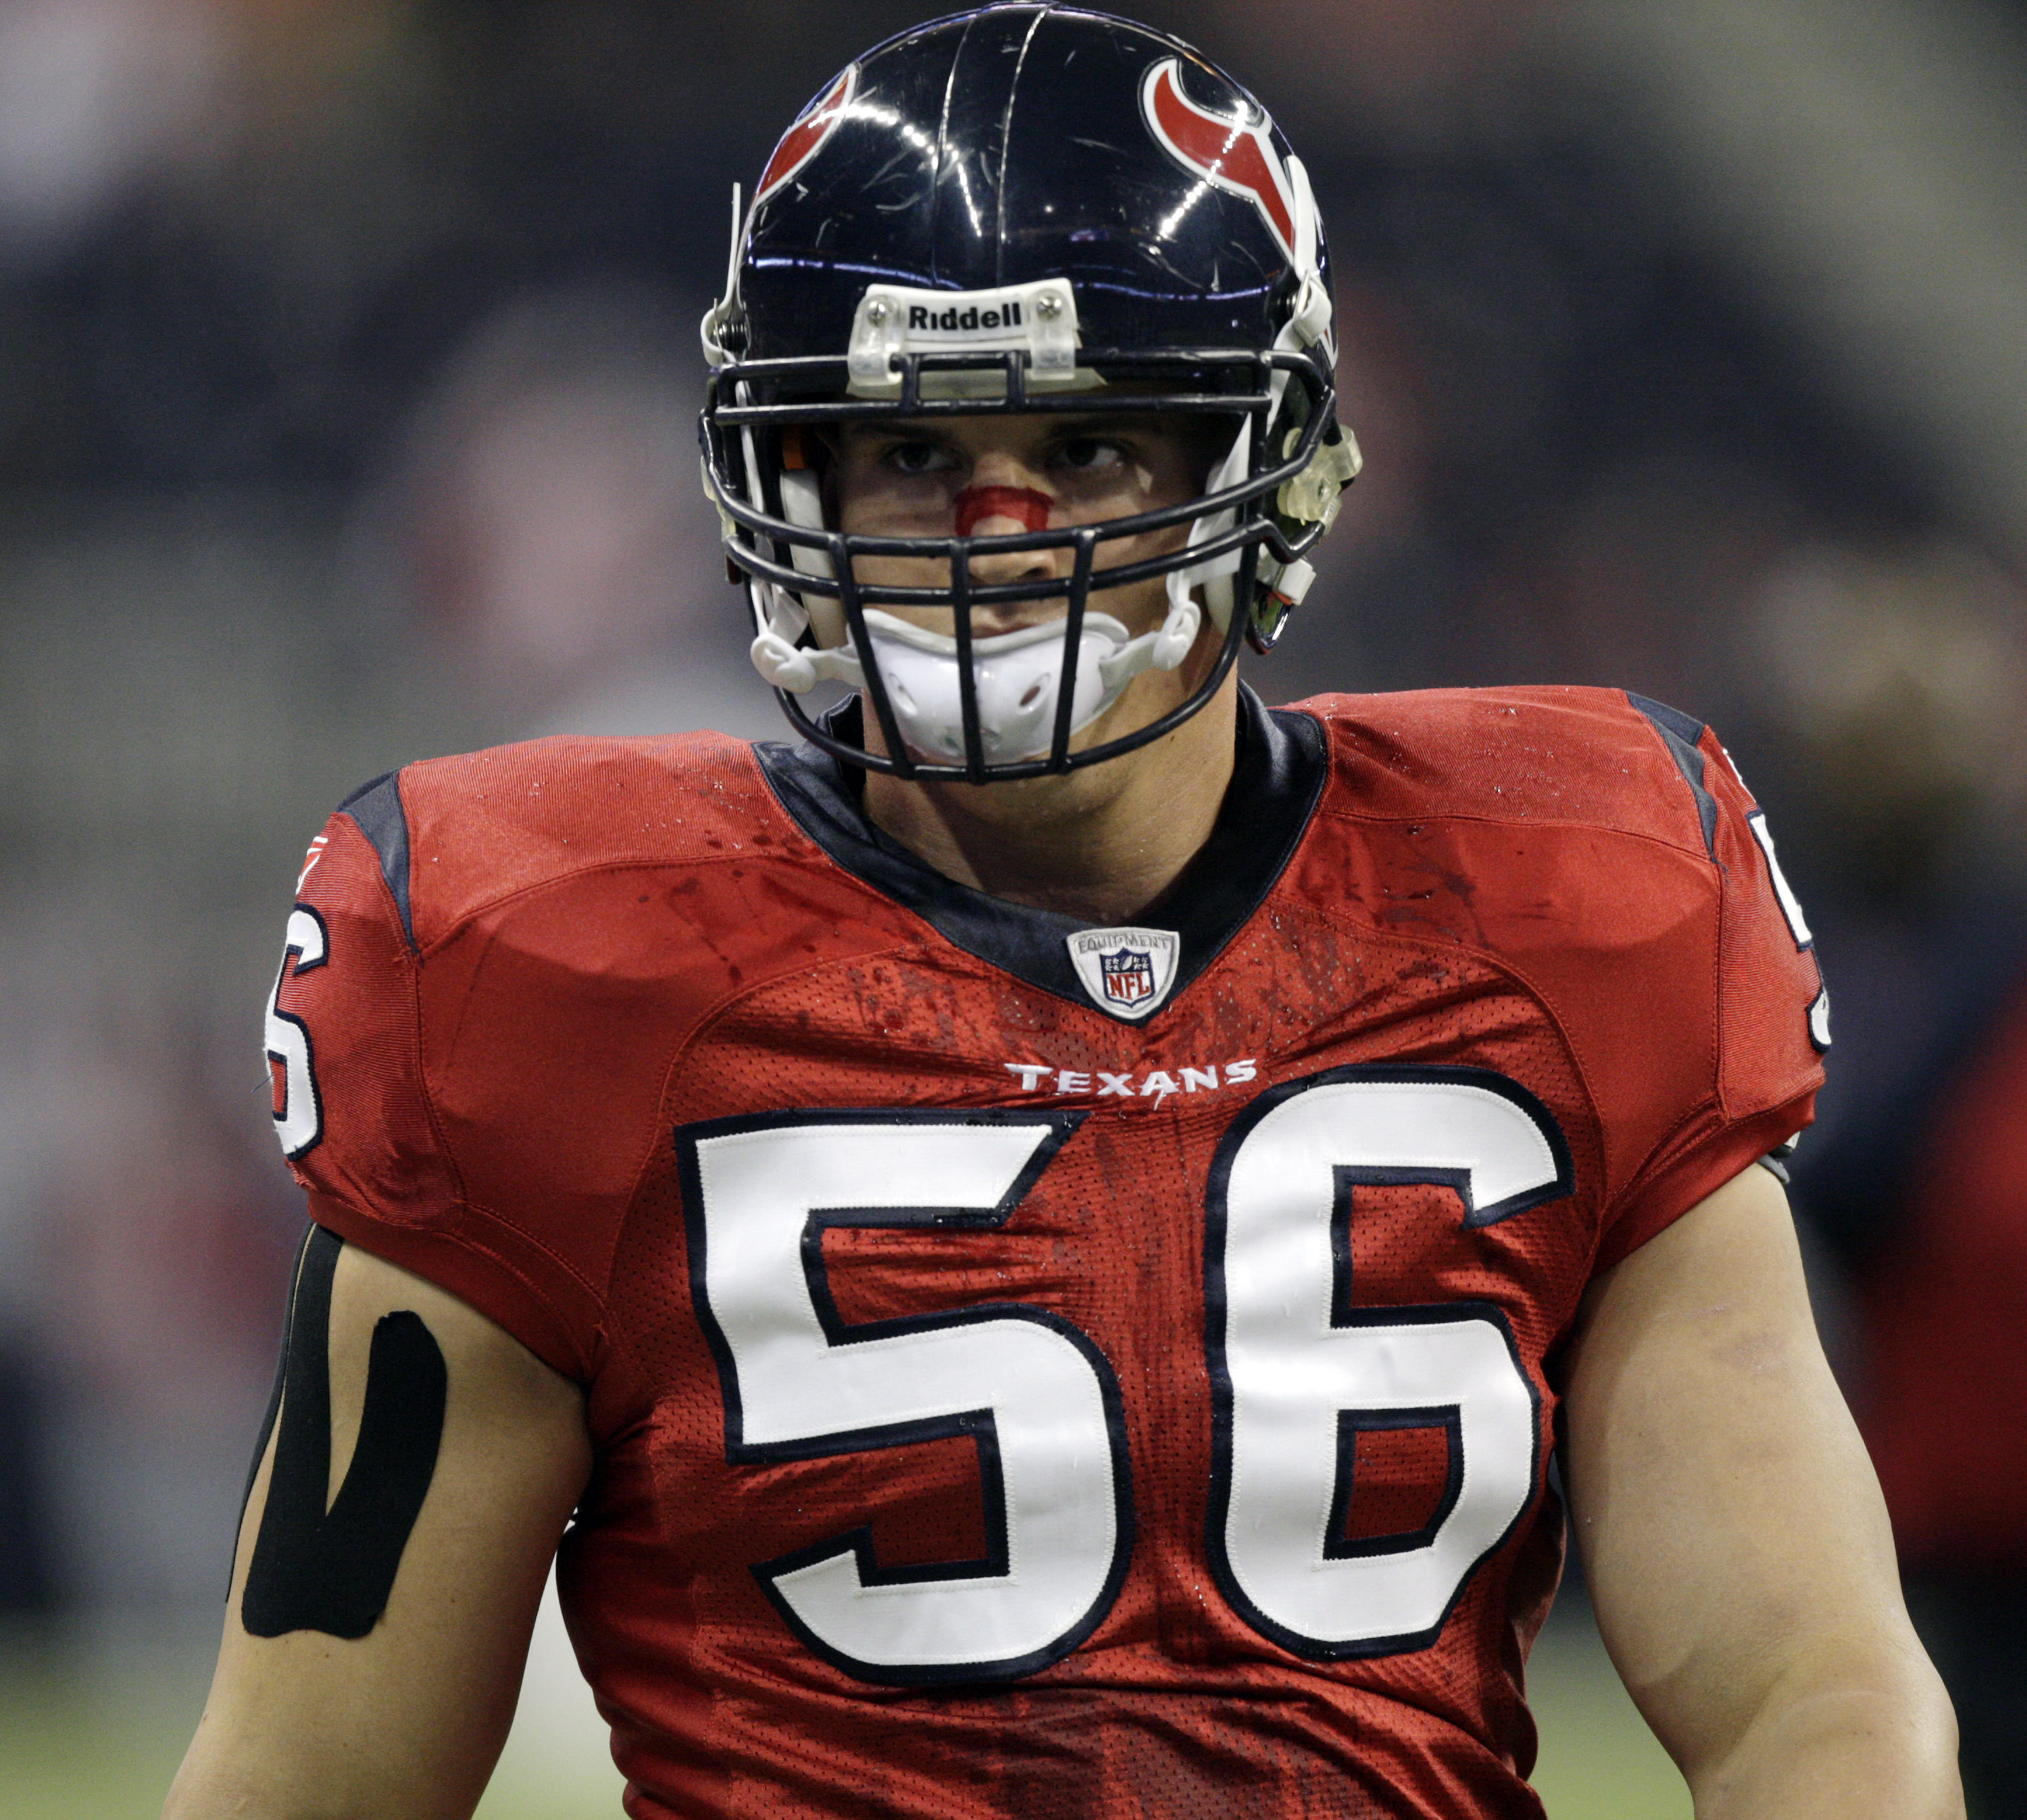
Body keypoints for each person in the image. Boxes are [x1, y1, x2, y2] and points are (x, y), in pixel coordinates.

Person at [165, 8, 1961, 1817]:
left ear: (1269, 460)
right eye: (919, 455)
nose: (1005, 531)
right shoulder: (545, 972)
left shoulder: (1575, 902)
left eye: (1094, 445)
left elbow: (1809, 1691)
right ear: (787, 471)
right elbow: (308, 1785)